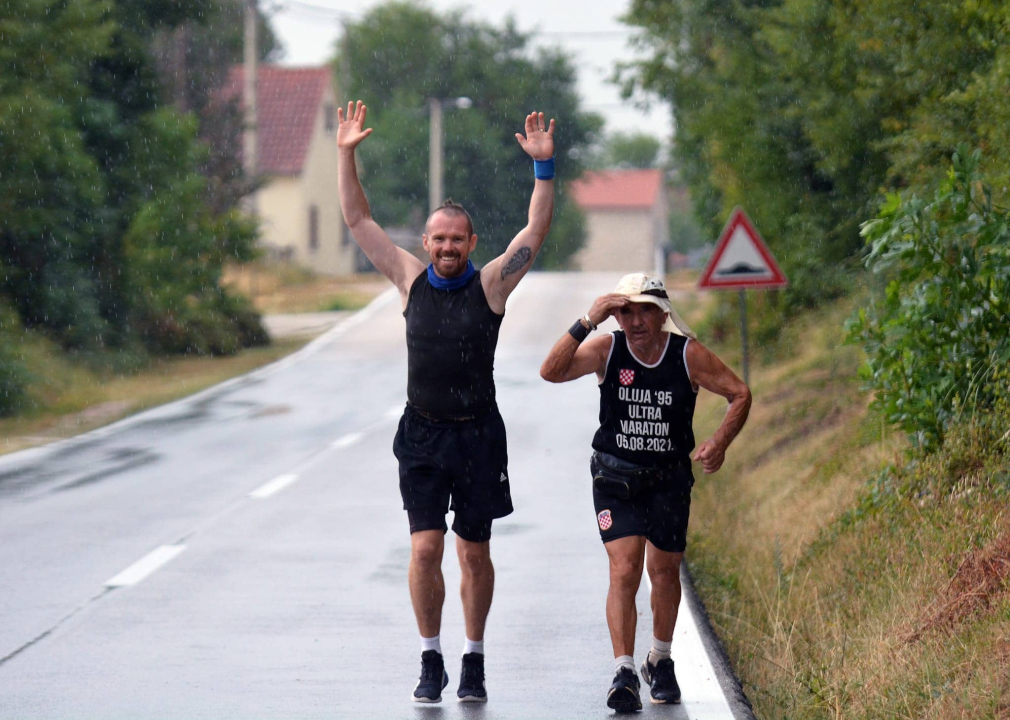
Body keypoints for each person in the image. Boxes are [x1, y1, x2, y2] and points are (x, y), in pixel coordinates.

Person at [336, 100, 555, 704]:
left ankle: (473, 658)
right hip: (423, 435)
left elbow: (534, 233)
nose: (448, 247)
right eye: (439, 238)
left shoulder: (491, 286)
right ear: (426, 241)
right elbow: (358, 219)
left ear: (471, 242)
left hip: (478, 435)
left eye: (458, 238)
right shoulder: (409, 280)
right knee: (425, 547)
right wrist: (345, 154)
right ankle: (431, 657)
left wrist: (543, 169)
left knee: (474, 552)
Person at [539, 273, 751, 712]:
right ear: (615, 316)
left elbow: (739, 393)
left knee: (665, 570)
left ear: (663, 313)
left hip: (669, 481)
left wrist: (720, 442)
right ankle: (623, 671)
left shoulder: (687, 355)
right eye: (626, 312)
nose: (635, 321)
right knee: (625, 568)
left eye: (645, 312)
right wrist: (588, 320)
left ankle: (660, 659)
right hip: (616, 478)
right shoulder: (607, 348)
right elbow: (551, 371)